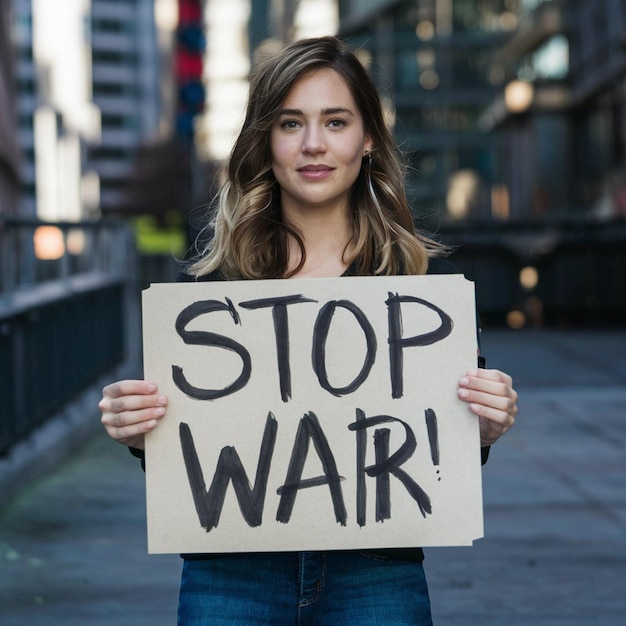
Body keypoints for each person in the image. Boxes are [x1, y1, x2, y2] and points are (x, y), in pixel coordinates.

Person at [99, 35, 518, 625]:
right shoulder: (211, 290)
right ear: (265, 141)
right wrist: (140, 431)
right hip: (232, 572)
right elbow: (196, 460)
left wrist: (485, 424)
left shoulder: (422, 282)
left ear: (368, 138)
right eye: (291, 122)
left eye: (336, 121)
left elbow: (438, 456)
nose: (314, 144)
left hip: (377, 568)